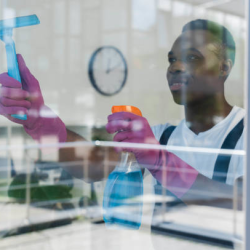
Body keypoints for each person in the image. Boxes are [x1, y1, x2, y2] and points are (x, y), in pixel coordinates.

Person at [0, 19, 243, 206]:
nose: (175, 67)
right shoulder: (164, 136)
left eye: (192, 58)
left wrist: (161, 163)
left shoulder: (244, 132)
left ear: (223, 68)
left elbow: (240, 202)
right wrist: (43, 125)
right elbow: (93, 164)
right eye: (172, 59)